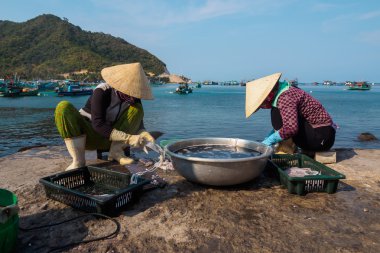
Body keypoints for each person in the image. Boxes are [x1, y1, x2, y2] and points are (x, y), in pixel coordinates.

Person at [54, 62, 155, 171]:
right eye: (128, 94)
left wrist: (143, 133)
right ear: (119, 86)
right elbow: (98, 124)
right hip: (88, 137)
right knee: (63, 107)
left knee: (137, 109)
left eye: (135, 94)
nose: (132, 99)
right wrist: (129, 138)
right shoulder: (102, 91)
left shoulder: (134, 99)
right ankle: (78, 161)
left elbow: (137, 123)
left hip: (111, 140)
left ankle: (116, 152)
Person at [245, 73, 336, 152]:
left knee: (276, 113)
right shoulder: (286, 91)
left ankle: (286, 149)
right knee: (277, 111)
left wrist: (268, 141)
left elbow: (290, 128)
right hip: (324, 137)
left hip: (321, 139)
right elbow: (288, 120)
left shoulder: (285, 97)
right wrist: (269, 136)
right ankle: (288, 147)